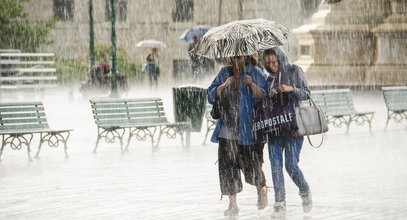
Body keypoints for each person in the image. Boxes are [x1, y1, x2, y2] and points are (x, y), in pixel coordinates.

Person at [207, 55, 268, 217]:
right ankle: (232, 204)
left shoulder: (254, 71)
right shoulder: (224, 72)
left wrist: (251, 84)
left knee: (252, 166)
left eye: (239, 57)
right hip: (227, 131)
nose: (235, 60)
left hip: (248, 130)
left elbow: (265, 95)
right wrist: (224, 85)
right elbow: (211, 95)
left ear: (245, 56)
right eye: (232, 57)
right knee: (228, 169)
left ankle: (261, 189)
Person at [262, 47, 312, 217]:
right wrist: (269, 95)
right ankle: (280, 202)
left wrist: (291, 89)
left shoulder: (294, 70)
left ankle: (305, 191)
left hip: (293, 128)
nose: (271, 65)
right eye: (267, 63)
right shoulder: (268, 79)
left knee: (291, 166)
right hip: (275, 129)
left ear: (280, 59)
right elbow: (266, 105)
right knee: (275, 166)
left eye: (274, 62)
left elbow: (306, 94)